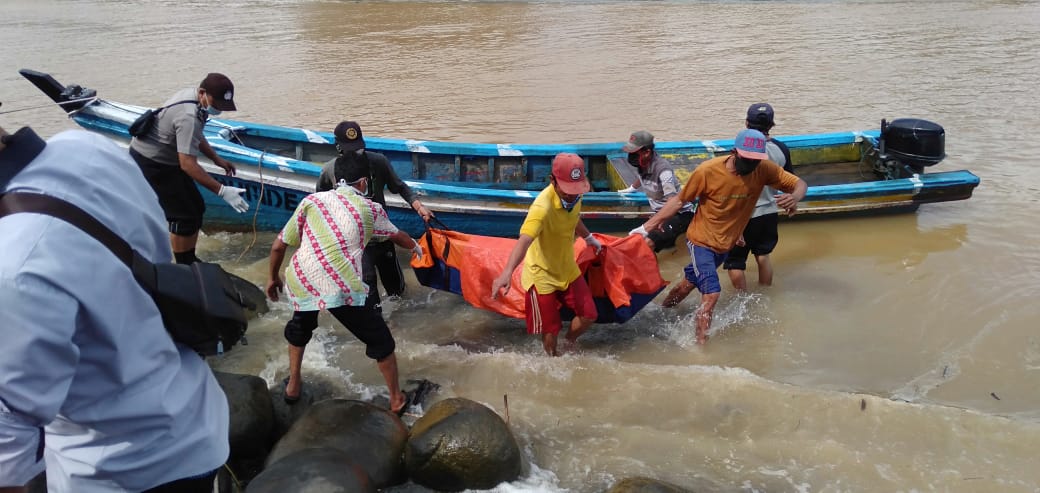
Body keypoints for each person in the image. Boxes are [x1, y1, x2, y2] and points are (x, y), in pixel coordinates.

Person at [0, 125, 229, 492]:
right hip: (198, 418)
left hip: (121, 471)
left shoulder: (13, 270)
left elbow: (10, 458)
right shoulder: (85, 146)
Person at [267, 151, 424, 411]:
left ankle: (293, 386)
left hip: (302, 278)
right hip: (339, 283)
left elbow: (278, 246)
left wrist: (272, 279)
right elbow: (398, 236)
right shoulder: (370, 208)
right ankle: (397, 399)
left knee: (300, 326)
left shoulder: (311, 201)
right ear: (364, 182)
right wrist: (418, 248)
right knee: (381, 341)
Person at [634, 129, 807, 345]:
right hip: (701, 241)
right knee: (712, 294)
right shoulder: (707, 171)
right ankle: (701, 348)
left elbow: (799, 184)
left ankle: (660, 311)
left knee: (688, 283)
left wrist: (794, 197)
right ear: (735, 152)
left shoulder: (763, 169)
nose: (752, 165)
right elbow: (679, 201)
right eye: (748, 159)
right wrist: (647, 227)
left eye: (757, 160)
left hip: (725, 244)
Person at [128, 72, 249, 265]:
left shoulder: (194, 100)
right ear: (202, 92)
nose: (218, 109)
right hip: (152, 163)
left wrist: (216, 159)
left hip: (169, 158)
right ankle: (184, 263)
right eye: (216, 104)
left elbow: (196, 135)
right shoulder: (188, 115)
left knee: (196, 206)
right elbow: (187, 164)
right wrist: (222, 190)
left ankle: (189, 256)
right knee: (183, 215)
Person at [490, 153, 603, 356]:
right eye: (567, 191)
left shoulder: (576, 196)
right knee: (551, 328)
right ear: (553, 181)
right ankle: (552, 359)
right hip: (541, 274)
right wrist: (507, 272)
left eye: (576, 190)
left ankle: (569, 342)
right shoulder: (542, 208)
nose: (572, 195)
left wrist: (588, 238)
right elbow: (524, 239)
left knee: (589, 314)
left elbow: (574, 216)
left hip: (567, 267)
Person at [316, 121, 433, 305]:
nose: (356, 154)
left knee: (398, 291)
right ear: (338, 147)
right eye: (349, 150)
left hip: (383, 238)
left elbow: (399, 186)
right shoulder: (330, 170)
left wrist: (419, 206)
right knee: (369, 294)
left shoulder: (378, 162)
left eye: (358, 148)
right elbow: (320, 206)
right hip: (356, 244)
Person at [725, 103, 795, 290]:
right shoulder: (781, 149)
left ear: (747, 123)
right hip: (768, 212)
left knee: (735, 261)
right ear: (771, 125)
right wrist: (792, 201)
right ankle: (764, 294)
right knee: (763, 256)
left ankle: (742, 301)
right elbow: (790, 183)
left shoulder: (740, 148)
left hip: (742, 214)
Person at [621, 130, 696, 252]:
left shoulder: (663, 170)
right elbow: (641, 177)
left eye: (634, 153)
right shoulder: (642, 164)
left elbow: (673, 202)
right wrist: (632, 188)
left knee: (647, 243)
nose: (631, 156)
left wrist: (659, 221)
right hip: (659, 213)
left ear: (647, 152)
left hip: (679, 213)